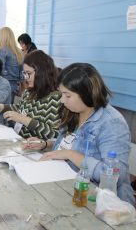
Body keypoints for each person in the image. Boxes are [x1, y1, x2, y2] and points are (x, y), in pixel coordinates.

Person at [23, 63, 135, 206]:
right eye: (61, 94)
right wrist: (46, 143)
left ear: (87, 93)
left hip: (103, 203)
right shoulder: (73, 112)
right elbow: (69, 142)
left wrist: (71, 155)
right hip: (65, 187)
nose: (62, 100)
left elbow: (116, 176)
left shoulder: (112, 123)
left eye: (67, 95)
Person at [0, 50, 61, 140]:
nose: (26, 78)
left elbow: (54, 135)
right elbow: (20, 108)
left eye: (29, 73)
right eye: (24, 73)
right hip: (20, 141)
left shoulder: (55, 98)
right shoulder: (30, 91)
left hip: (38, 150)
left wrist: (24, 119)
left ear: (42, 72)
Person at [0, 27, 24, 103]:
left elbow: (0, 69)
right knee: (11, 108)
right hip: (16, 86)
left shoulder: (1, 51)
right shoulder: (19, 51)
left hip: (4, 84)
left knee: (2, 109)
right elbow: (22, 71)